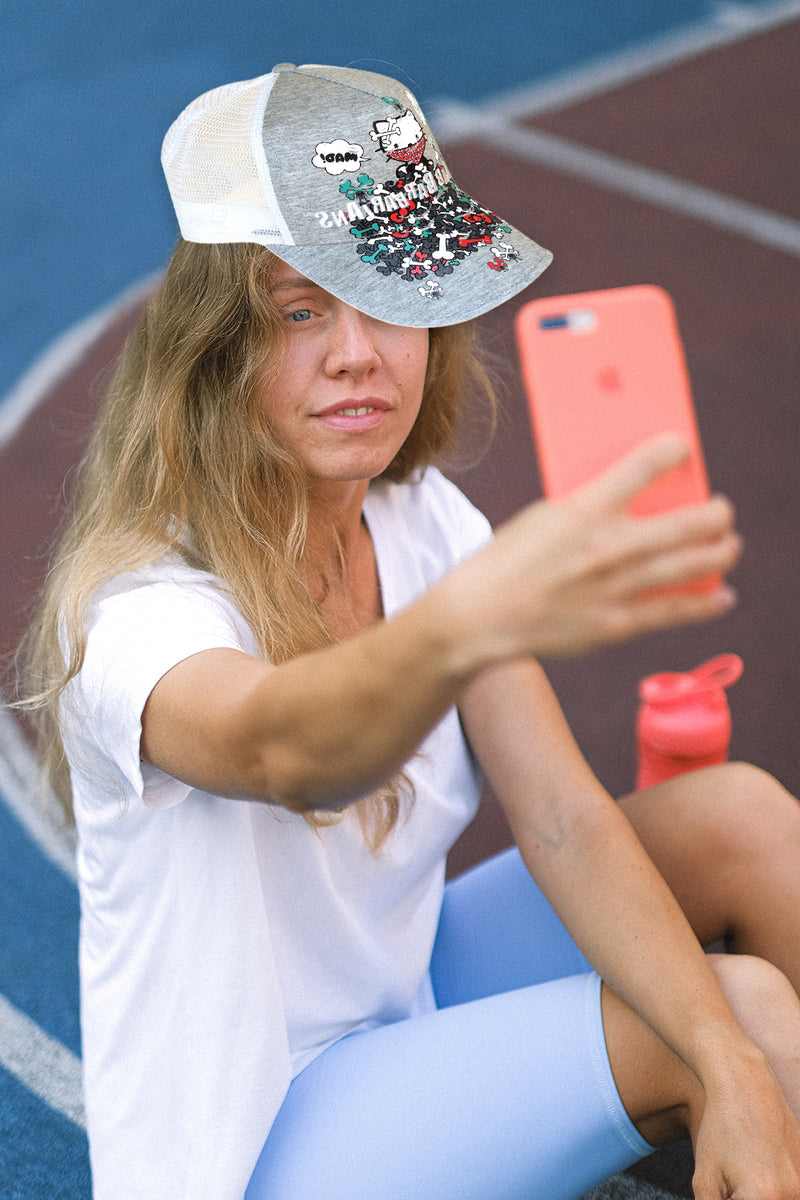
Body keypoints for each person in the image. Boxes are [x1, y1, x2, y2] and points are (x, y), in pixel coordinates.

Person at [18, 63, 800, 1200]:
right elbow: (283, 751)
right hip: (259, 1136)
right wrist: (724, 1052)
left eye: (388, 297)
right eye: (299, 310)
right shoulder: (138, 606)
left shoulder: (420, 517)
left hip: (408, 996)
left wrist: (726, 1064)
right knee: (747, 1013)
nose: (357, 352)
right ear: (211, 348)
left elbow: (564, 818)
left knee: (740, 820)